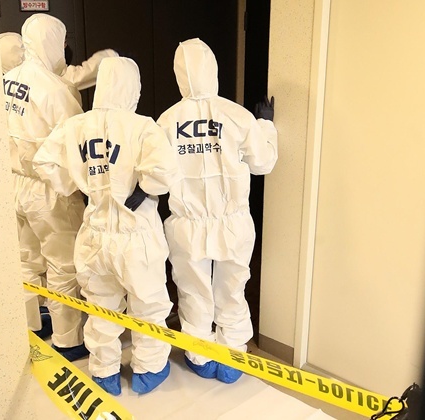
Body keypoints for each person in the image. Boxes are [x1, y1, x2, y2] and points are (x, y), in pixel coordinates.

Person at [34, 57, 180, 396]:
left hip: (94, 233)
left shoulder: (76, 126)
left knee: (100, 307)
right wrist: (143, 190)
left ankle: (104, 372)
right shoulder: (142, 127)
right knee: (147, 305)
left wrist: (80, 186)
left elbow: (45, 162)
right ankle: (148, 369)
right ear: (133, 88)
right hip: (136, 234)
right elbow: (163, 174)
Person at [156, 38, 278, 384]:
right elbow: (264, 163)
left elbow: (156, 176)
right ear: (213, 69)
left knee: (193, 290)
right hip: (233, 222)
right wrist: (266, 125)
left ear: (179, 75)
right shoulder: (236, 115)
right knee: (232, 286)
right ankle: (233, 354)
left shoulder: (166, 121)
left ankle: (200, 356)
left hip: (186, 224)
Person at [3, 13, 88, 360]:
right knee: (62, 264)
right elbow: (76, 143)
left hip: (12, 183)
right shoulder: (55, 90)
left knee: (25, 259)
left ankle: (31, 327)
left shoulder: (5, 80)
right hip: (48, 189)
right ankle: (68, 341)